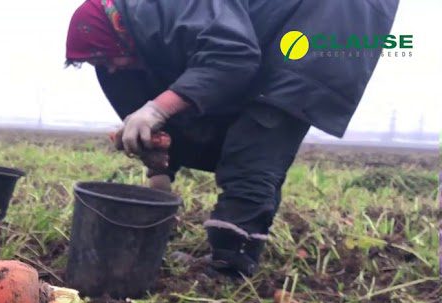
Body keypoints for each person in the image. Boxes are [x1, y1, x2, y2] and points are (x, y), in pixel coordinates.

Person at [65, 0, 398, 278]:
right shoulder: (142, 29)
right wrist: (158, 173)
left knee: (257, 141)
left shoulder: (167, 9)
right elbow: (173, 98)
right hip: (271, 28)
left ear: (118, 31)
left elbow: (233, 56)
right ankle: (230, 251)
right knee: (219, 118)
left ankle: (231, 264)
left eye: (105, 57)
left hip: (325, 20)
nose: (108, 68)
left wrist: (155, 110)